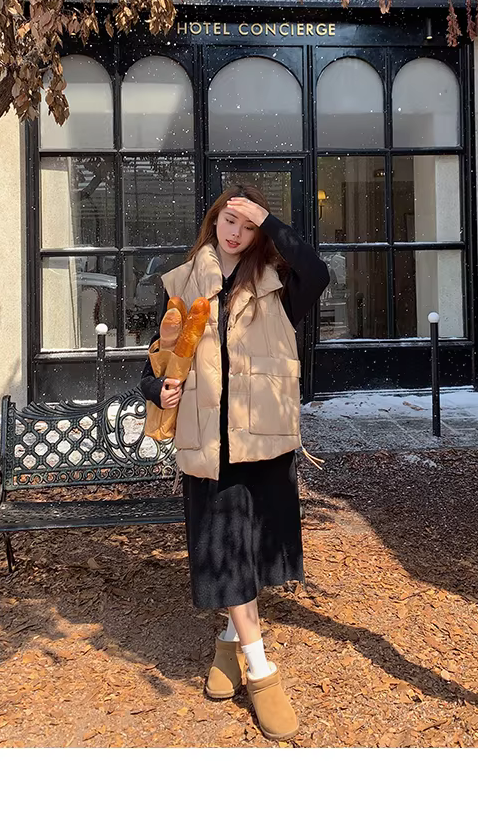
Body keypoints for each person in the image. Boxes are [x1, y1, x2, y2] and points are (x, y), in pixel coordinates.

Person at [140, 184, 329, 742]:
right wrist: (157, 389)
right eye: (229, 219)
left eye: (247, 226)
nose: (235, 232)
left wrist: (268, 220)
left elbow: (317, 270)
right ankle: (261, 670)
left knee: (252, 555)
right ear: (213, 220)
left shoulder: (278, 286)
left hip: (263, 444)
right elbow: (153, 364)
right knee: (226, 552)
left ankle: (227, 643)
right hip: (208, 447)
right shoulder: (182, 286)